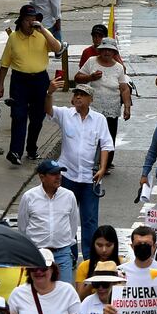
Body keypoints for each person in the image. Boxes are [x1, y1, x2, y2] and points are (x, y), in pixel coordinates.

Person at [45, 81, 114, 258]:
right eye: (76, 94)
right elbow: (49, 111)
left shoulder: (99, 119)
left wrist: (102, 167)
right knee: (67, 217)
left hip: (90, 178)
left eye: (82, 95)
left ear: (90, 99)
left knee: (90, 219)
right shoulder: (65, 114)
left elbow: (106, 144)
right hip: (67, 176)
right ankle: (70, 254)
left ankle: (90, 258)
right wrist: (49, 93)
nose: (77, 97)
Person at [0, 3, 62, 164]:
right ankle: (15, 152)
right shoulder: (13, 38)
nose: (31, 23)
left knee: (37, 117)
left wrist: (43, 30)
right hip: (20, 80)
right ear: (21, 21)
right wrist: (0, 85)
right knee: (18, 116)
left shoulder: (41, 35)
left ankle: (31, 149)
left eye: (34, 19)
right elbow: (5, 63)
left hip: (40, 80)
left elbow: (58, 48)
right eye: (28, 20)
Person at [16, 158, 80, 283]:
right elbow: (22, 227)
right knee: (37, 292)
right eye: (53, 174)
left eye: (59, 173)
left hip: (62, 254)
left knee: (65, 292)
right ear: (42, 177)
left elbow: (73, 225)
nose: (58, 177)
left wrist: (64, 242)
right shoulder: (29, 197)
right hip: (37, 255)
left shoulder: (69, 196)